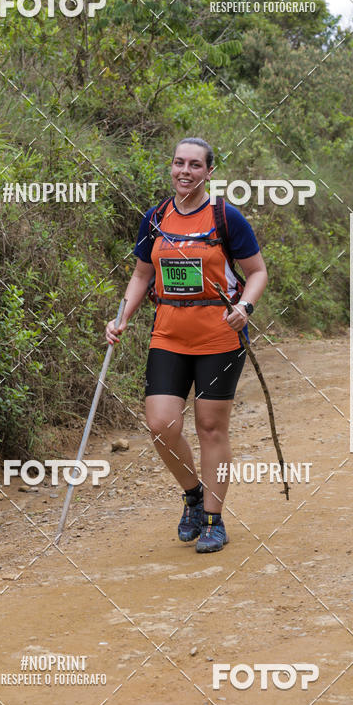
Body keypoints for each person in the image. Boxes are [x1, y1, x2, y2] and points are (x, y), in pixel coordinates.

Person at [105, 137, 267, 552]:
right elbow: (142, 275)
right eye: (179, 163)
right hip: (169, 334)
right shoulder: (156, 217)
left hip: (219, 337)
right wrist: (122, 316)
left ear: (209, 172)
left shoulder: (226, 217)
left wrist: (245, 307)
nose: (185, 171)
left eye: (195, 165)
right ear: (171, 166)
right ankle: (193, 495)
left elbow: (257, 272)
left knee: (211, 427)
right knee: (161, 425)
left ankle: (213, 519)